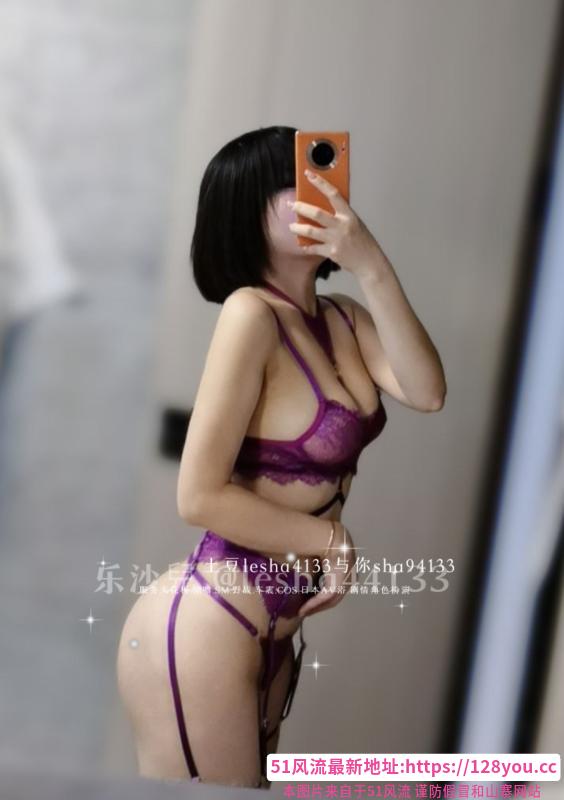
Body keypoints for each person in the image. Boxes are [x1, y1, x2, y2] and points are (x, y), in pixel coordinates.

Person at [116, 125, 446, 789]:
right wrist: (330, 541)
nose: (314, 191)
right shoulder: (250, 315)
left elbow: (427, 392)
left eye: (319, 174)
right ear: (245, 209)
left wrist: (372, 264)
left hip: (276, 626)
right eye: (290, 183)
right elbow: (197, 496)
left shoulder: (345, 318)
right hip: (212, 615)